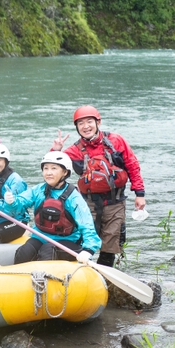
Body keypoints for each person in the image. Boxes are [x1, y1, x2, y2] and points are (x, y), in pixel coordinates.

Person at [49, 105, 146, 266]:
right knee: (83, 241)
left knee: (110, 245)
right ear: (77, 127)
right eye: (81, 123)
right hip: (87, 203)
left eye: (89, 121)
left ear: (98, 122)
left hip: (115, 202)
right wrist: (56, 150)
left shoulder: (116, 141)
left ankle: (104, 275)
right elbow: (52, 170)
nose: (85, 126)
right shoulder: (74, 150)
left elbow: (132, 165)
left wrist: (139, 194)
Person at [4, 151, 102, 264]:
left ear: (65, 172)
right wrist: (11, 201)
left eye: (54, 168)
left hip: (68, 241)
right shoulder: (39, 190)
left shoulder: (74, 197)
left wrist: (89, 249)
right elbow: (19, 205)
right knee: (24, 252)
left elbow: (86, 224)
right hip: (40, 237)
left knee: (48, 250)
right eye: (45, 168)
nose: (48, 173)